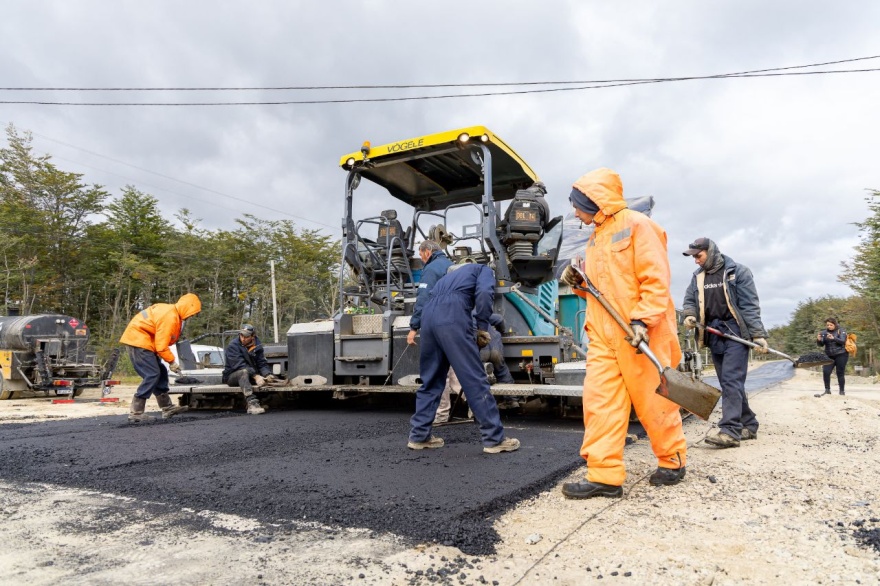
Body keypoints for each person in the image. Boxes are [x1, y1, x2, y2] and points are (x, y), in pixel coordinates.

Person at [559, 168, 687, 499]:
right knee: (600, 404)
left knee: (654, 401)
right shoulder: (594, 237)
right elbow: (600, 289)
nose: (574, 212)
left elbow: (655, 279)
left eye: (577, 205)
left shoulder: (639, 226)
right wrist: (579, 285)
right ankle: (604, 476)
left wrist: (643, 321)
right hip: (602, 334)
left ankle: (672, 461)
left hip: (640, 332)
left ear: (594, 200)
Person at [408, 262, 520, 454]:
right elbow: (485, 294)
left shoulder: (446, 279)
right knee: (474, 378)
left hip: (428, 317)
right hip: (452, 316)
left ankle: (419, 436)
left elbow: (425, 297)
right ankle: (494, 439)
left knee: (431, 380)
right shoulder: (484, 270)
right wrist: (483, 327)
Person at [681, 237, 769, 448]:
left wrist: (757, 334)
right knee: (730, 382)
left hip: (736, 333)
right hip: (714, 333)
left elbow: (749, 305)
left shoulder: (737, 272)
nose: (696, 261)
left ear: (710, 252)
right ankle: (749, 424)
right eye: (693, 257)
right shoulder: (698, 277)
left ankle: (730, 431)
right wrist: (690, 314)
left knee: (731, 380)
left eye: (698, 256)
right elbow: (690, 299)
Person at [120, 293, 201, 423]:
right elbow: (161, 345)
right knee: (152, 374)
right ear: (187, 308)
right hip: (138, 341)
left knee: (161, 372)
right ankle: (136, 412)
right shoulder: (170, 316)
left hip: (144, 342)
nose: (192, 316)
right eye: (192, 313)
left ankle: (167, 407)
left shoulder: (172, 313)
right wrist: (172, 361)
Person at [407, 240, 453, 346]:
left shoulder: (431, 269)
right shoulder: (451, 265)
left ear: (428, 252)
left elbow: (423, 297)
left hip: (438, 324)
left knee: (431, 361)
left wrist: (414, 327)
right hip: (454, 320)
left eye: (421, 255)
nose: (422, 260)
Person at [222, 324, 275, 414]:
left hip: (250, 374)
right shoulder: (233, 346)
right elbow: (239, 365)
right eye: (241, 335)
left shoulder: (257, 345)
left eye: (246, 337)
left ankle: (261, 400)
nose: (243, 338)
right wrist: (256, 376)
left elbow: (261, 362)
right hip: (232, 376)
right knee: (243, 372)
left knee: (268, 380)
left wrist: (267, 374)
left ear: (252, 336)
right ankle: (252, 403)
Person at [815, 317, 848, 396]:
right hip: (829, 355)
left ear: (835, 324)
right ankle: (827, 390)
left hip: (841, 354)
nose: (829, 326)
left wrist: (833, 338)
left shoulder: (841, 331)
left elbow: (843, 341)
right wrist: (818, 340)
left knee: (840, 373)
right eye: (827, 325)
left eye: (831, 325)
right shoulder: (823, 332)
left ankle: (842, 391)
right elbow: (821, 345)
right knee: (826, 371)